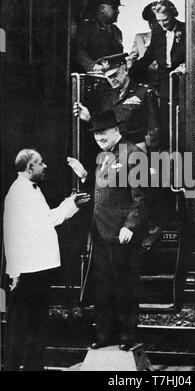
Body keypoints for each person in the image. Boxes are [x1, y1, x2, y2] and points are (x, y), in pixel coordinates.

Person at [3, 149, 89, 371]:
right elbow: (11, 234)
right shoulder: (18, 193)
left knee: (37, 325)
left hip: (39, 269)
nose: (45, 166)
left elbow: (47, 219)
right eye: (41, 163)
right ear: (30, 167)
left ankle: (34, 368)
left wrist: (72, 204)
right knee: (19, 326)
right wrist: (14, 274)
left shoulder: (32, 191)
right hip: (26, 272)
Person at [85, 109, 148, 350]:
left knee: (125, 288)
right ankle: (104, 336)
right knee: (102, 289)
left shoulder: (134, 153)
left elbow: (141, 196)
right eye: (95, 133)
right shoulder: (103, 156)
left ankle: (126, 338)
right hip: (101, 231)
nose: (99, 137)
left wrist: (130, 225)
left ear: (116, 130)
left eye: (103, 132)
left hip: (121, 233)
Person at [74, 53, 161, 153]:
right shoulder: (107, 96)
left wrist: (154, 165)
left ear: (125, 70)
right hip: (113, 151)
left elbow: (155, 131)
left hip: (136, 151)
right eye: (108, 77)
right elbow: (104, 126)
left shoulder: (143, 93)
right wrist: (88, 118)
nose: (112, 80)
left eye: (114, 75)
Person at [129, 0, 185, 147]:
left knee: (182, 119)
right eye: (159, 20)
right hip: (165, 82)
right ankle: (168, 155)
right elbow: (147, 57)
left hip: (182, 81)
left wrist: (186, 66)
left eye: (165, 19)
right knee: (165, 121)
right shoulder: (158, 32)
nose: (162, 24)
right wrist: (128, 74)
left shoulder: (186, 30)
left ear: (173, 15)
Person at [75, 0, 123, 73]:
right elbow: (79, 51)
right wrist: (92, 66)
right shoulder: (87, 28)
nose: (118, 11)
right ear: (102, 9)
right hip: (93, 76)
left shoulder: (116, 31)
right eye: (115, 8)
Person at [127, 2, 159, 91]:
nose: (153, 24)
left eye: (155, 20)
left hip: (163, 80)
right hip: (146, 80)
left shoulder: (169, 37)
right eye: (150, 21)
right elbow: (132, 58)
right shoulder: (140, 38)